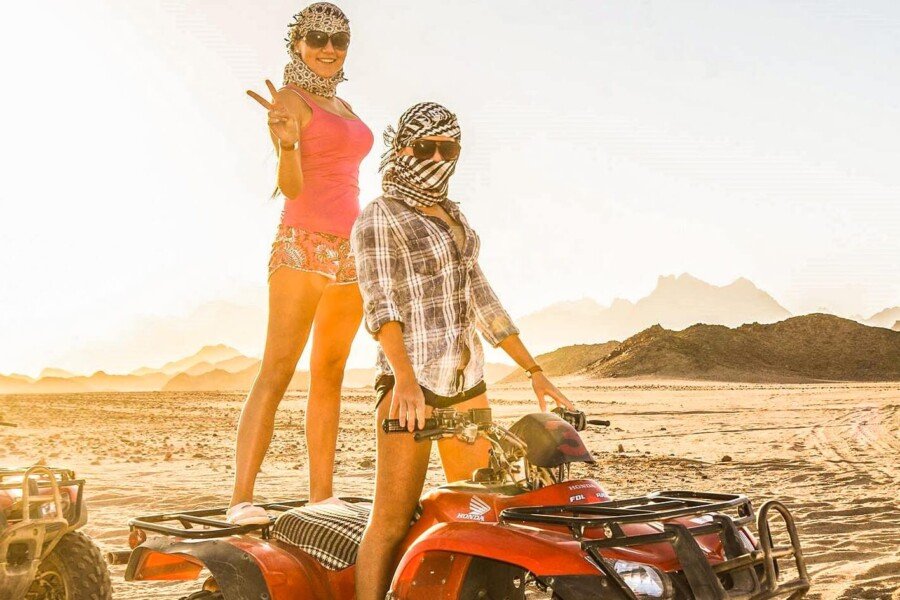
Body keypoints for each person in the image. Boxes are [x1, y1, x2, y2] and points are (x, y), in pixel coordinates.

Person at [350, 102, 574, 598]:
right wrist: (404, 379)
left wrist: (534, 370)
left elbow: (483, 301)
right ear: (402, 147)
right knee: (391, 517)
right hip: (412, 384)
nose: (435, 157)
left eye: (446, 149)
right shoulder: (380, 216)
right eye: (423, 147)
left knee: (478, 510)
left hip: (467, 380)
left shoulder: (455, 218)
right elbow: (379, 302)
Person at [227, 2, 373, 525]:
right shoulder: (289, 100)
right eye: (317, 38)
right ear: (297, 44)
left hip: (351, 251)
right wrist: (287, 143)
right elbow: (291, 186)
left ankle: (322, 495)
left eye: (339, 41)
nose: (328, 49)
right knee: (278, 369)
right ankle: (242, 498)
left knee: (329, 373)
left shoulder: (345, 106)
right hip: (303, 244)